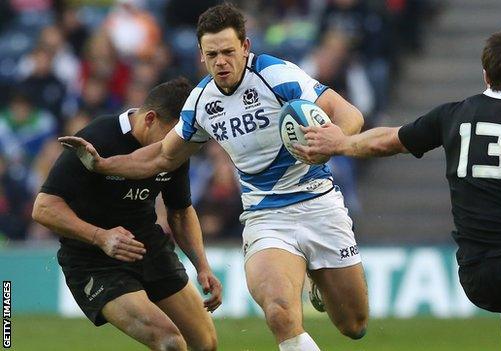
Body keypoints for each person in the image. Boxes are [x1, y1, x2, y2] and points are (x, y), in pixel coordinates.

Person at [58, 3, 369, 351]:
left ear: (246, 48)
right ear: (202, 56)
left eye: (228, 52)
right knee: (280, 313)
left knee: (353, 325)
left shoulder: (277, 76)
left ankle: (317, 280)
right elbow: (162, 155)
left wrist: (336, 140)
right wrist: (103, 165)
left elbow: (349, 114)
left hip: (317, 201)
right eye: (212, 54)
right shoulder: (201, 102)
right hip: (266, 216)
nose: (221, 61)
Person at [293, 30, 501, 351]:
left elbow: (388, 141)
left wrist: (342, 143)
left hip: (476, 273)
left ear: (485, 74)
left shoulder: (454, 114)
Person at [33, 78, 221, 351]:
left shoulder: (177, 147)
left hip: (149, 248)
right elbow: (44, 207)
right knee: (169, 342)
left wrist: (202, 267)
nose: (177, 144)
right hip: (93, 261)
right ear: (150, 119)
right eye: (173, 135)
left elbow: (180, 212)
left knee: (206, 344)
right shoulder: (98, 137)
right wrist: (100, 237)